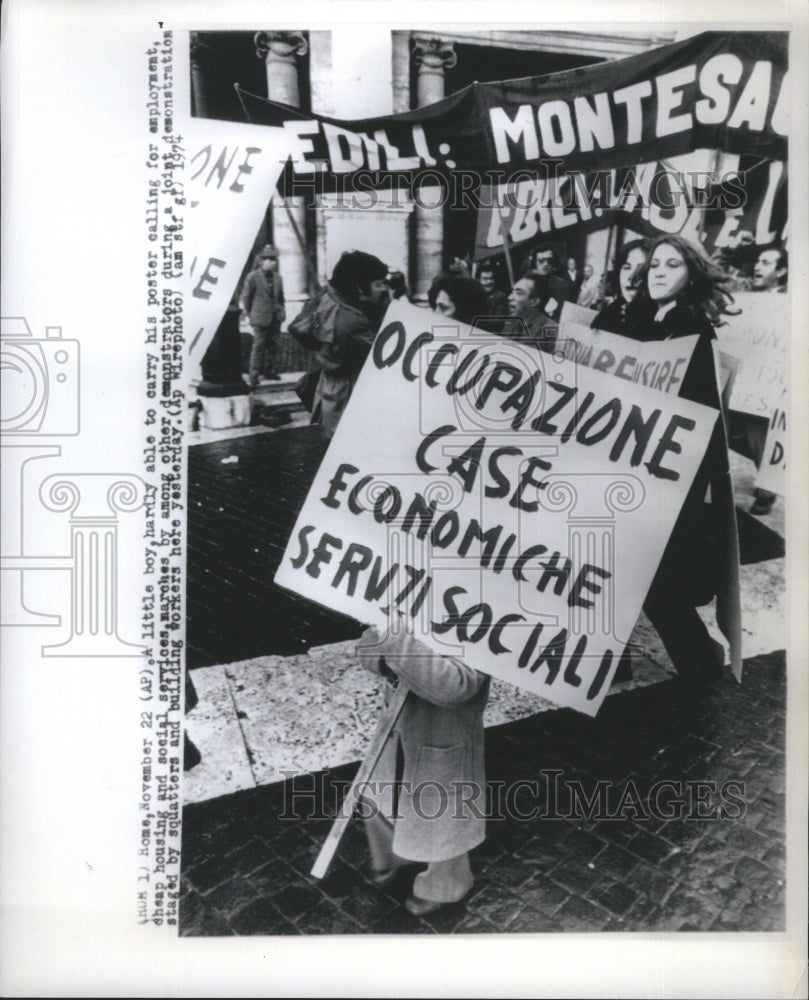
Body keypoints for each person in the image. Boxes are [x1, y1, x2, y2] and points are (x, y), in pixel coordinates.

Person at [626, 234, 740, 683]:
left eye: (671, 265)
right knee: (648, 581)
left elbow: (702, 417)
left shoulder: (692, 329)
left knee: (656, 585)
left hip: (671, 480)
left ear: (691, 276)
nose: (657, 271)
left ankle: (702, 671)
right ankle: (701, 658)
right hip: (639, 469)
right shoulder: (644, 319)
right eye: (654, 264)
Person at [357, 626, 489, 916]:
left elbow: (457, 686)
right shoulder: (413, 596)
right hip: (397, 728)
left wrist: (394, 644)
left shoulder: (489, 619)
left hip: (444, 735)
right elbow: (366, 649)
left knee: (442, 816)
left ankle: (447, 885)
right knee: (379, 795)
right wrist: (386, 650)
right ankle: (394, 860)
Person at [308, 251, 390, 440]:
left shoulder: (331, 300)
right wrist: (386, 308)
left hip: (329, 391)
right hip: (347, 397)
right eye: (379, 284)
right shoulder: (353, 321)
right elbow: (385, 354)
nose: (384, 289)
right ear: (359, 288)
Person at [734, 245, 788, 515]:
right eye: (757, 261)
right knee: (734, 431)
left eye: (766, 263)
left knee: (758, 432)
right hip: (743, 378)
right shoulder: (747, 299)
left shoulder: (791, 302)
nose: (757, 266)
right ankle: (769, 474)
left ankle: (767, 492)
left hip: (769, 384)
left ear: (781, 271)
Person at [239, 244, 286, 385]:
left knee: (273, 346)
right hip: (260, 318)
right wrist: (250, 314)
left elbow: (281, 297)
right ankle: (254, 375)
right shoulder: (252, 277)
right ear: (262, 261)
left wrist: (282, 312)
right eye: (270, 259)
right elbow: (246, 297)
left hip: (275, 318)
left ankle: (270, 372)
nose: (273, 262)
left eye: (274, 259)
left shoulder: (278, 278)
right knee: (258, 347)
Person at [590, 238, 652, 334]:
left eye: (641, 269)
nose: (631, 277)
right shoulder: (609, 315)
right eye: (626, 268)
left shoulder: (662, 321)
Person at [506, 272, 558, 351]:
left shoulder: (551, 331)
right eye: (512, 291)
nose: (509, 297)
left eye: (519, 292)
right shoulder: (512, 324)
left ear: (535, 301)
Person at [521, 244, 571, 321]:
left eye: (549, 260)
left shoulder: (561, 284)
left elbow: (562, 314)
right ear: (535, 263)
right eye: (541, 260)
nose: (546, 264)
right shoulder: (527, 283)